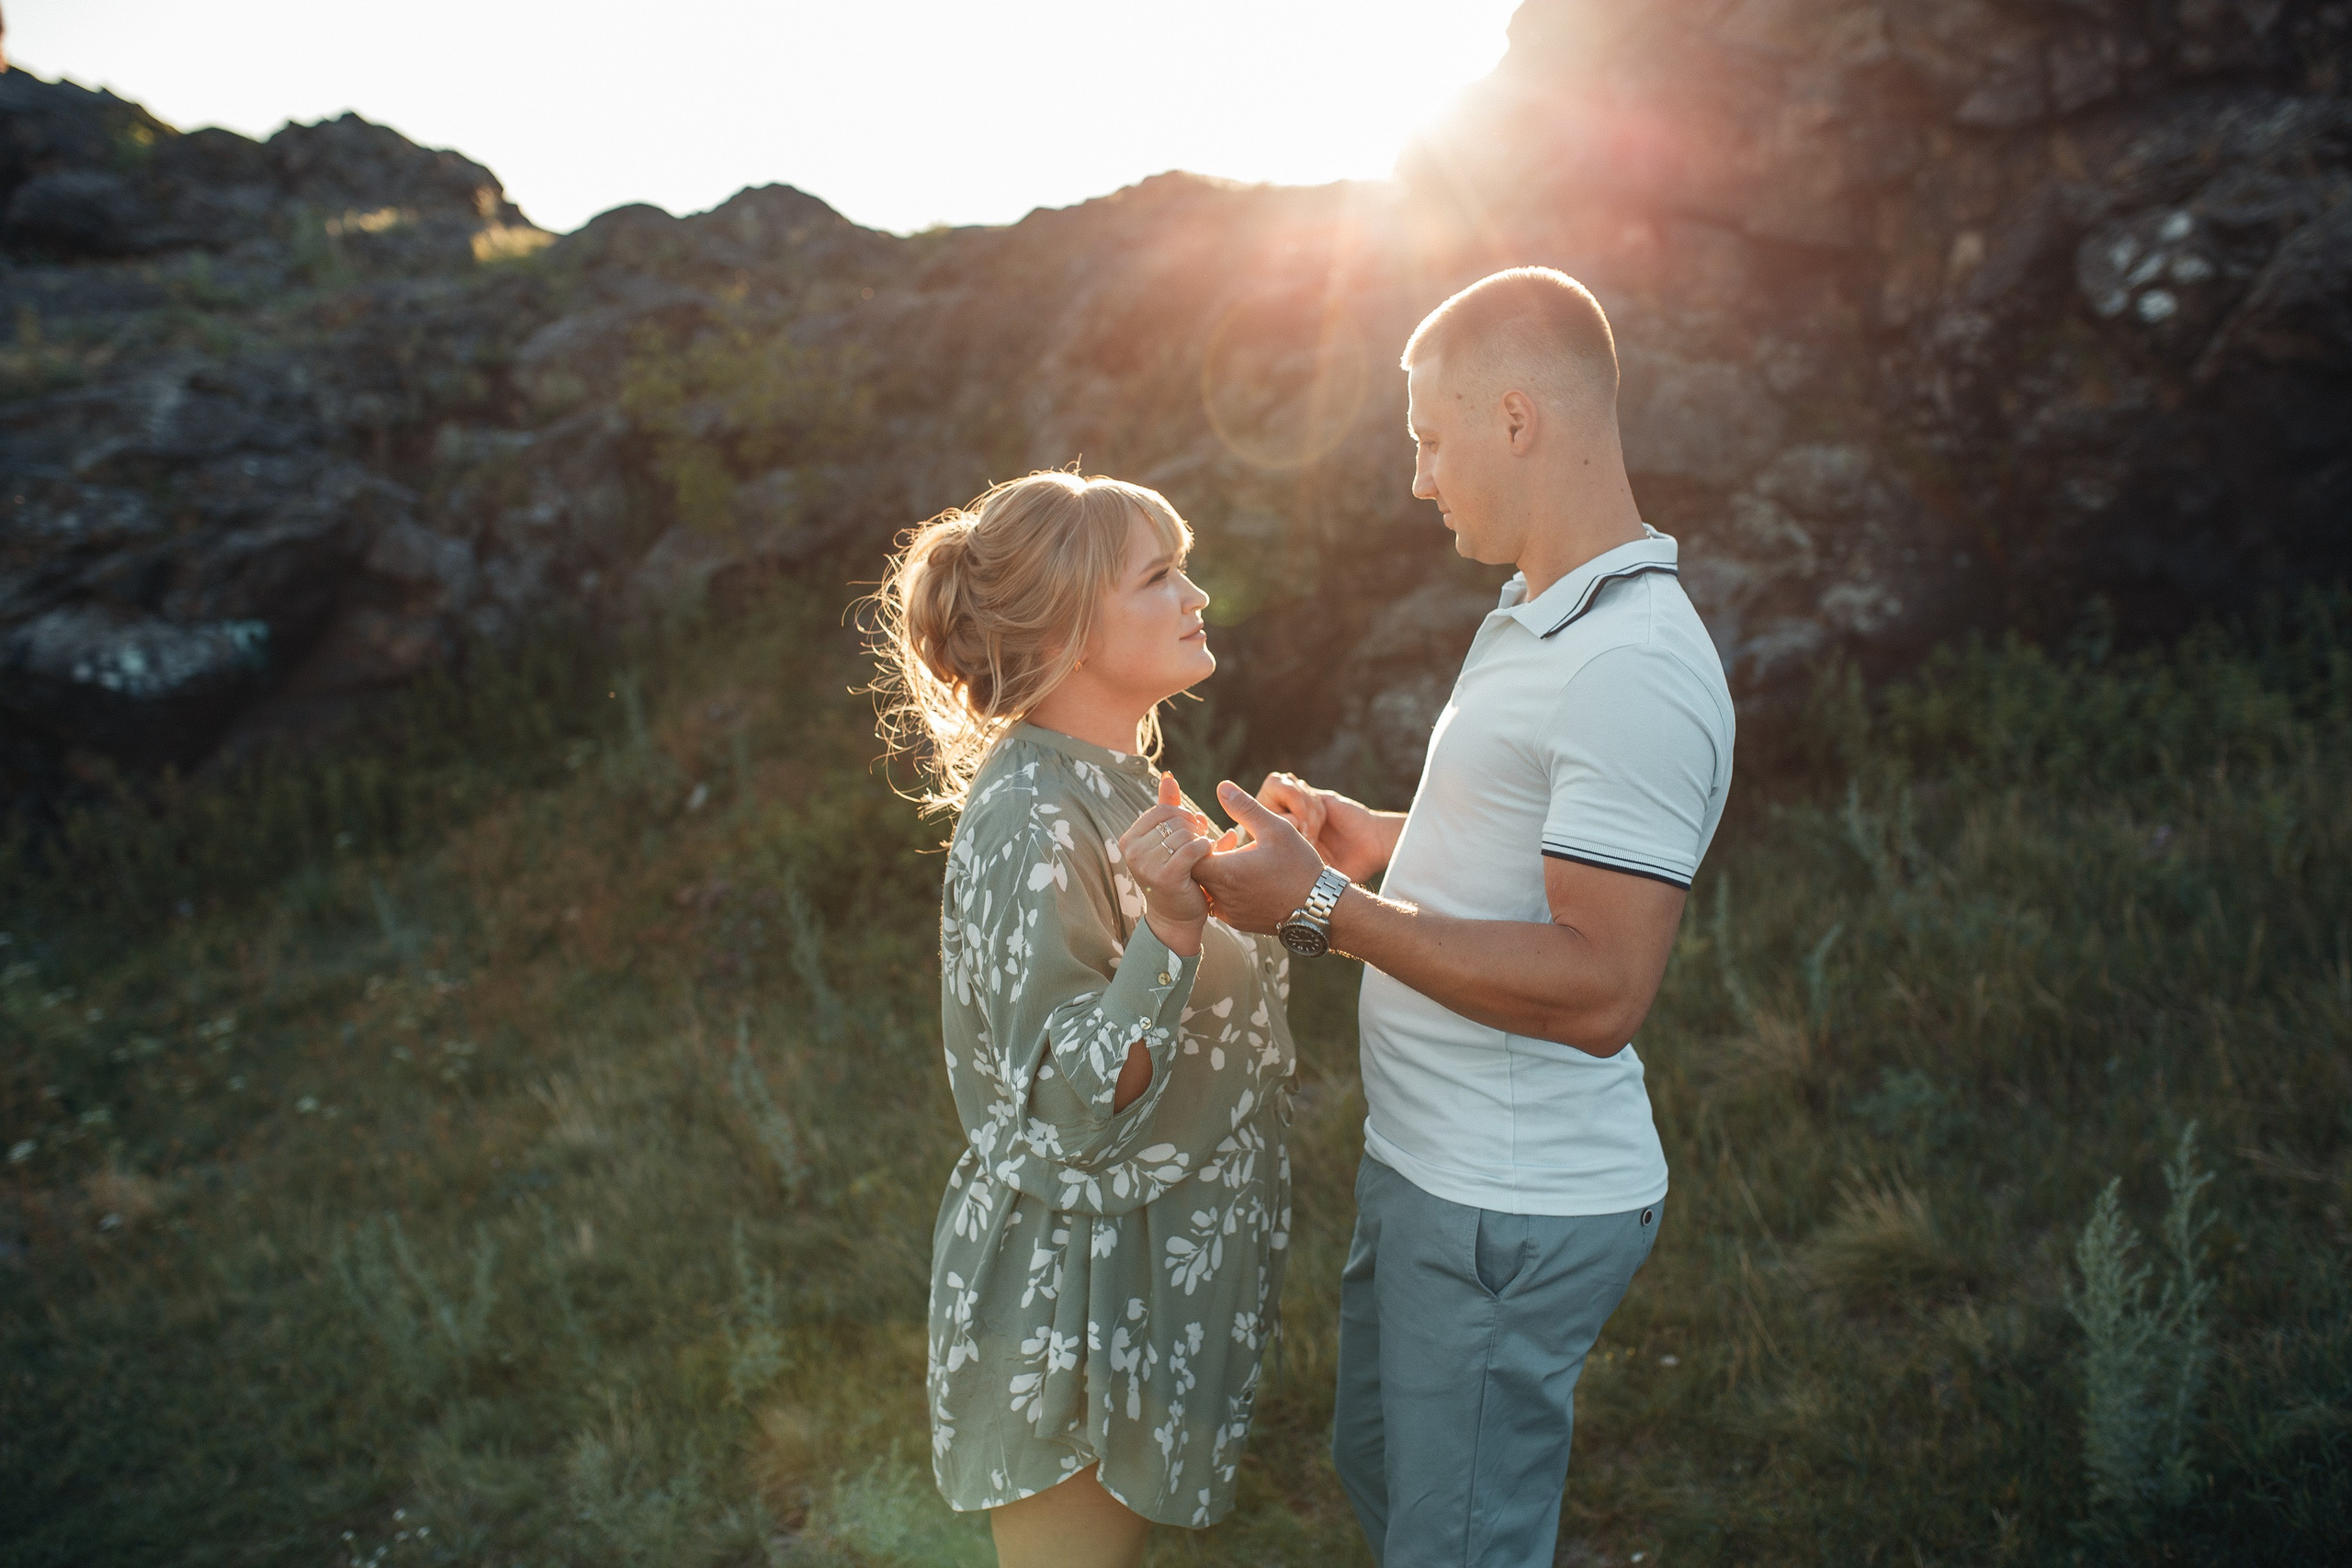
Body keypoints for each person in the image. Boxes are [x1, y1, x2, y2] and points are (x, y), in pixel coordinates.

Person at [1193, 267, 1735, 1566]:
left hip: (1511, 1201)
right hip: (1427, 1166)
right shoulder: (1538, 617)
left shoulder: (1632, 666)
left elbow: (1602, 986)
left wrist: (1323, 905)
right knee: (1382, 1473)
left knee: (1459, 1546)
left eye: (1431, 441)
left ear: (1515, 417)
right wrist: (1367, 837)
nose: (1421, 479)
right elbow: (1510, 860)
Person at [868, 469, 1296, 1568]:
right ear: (1066, 625)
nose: (1198, 594)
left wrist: (1295, 892)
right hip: (1078, 1294)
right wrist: (1171, 927)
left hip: (1153, 1271)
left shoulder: (1120, 780)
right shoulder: (1031, 810)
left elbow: (1192, 1004)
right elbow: (1064, 1097)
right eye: (1160, 576)